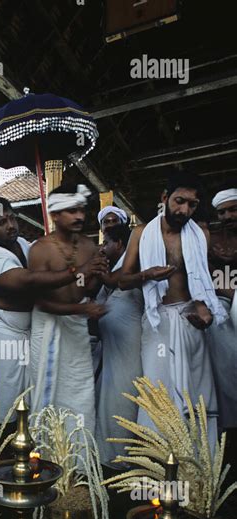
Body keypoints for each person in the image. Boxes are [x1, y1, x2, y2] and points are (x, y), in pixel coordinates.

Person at [118, 172, 227, 447]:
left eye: (192, 204)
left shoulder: (201, 234)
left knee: (197, 395)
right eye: (179, 201)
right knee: (159, 391)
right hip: (158, 323)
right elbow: (122, 280)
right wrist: (147, 275)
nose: (184, 210)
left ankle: (199, 470)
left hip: (193, 322)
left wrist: (207, 313)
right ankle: (158, 467)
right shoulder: (142, 234)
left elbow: (203, 281)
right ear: (165, 198)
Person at [0, 195, 106, 425]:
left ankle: (27, 448)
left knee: (30, 395)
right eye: (1, 223)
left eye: (11, 218)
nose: (10, 226)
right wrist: (79, 271)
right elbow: (31, 281)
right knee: (4, 397)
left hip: (30, 329)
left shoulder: (24, 245)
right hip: (2, 333)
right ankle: (0, 451)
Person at [28, 185, 108, 435]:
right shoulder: (40, 249)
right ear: (54, 215)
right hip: (49, 326)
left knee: (80, 391)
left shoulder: (88, 246)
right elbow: (40, 300)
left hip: (76, 329)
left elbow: (88, 288)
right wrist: (81, 307)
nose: (80, 217)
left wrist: (97, 272)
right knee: (46, 392)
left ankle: (79, 461)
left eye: (82, 210)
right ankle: (44, 460)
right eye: (72, 211)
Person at [95, 223, 143, 467]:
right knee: (111, 395)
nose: (102, 248)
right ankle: (109, 453)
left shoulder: (129, 266)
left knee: (124, 395)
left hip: (127, 348)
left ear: (121, 245)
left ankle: (122, 457)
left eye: (106, 243)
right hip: (114, 351)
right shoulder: (116, 268)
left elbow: (117, 282)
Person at [207, 188, 237, 467]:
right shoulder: (209, 241)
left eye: (233, 209)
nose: (228, 216)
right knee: (224, 374)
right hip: (220, 317)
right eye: (223, 211)